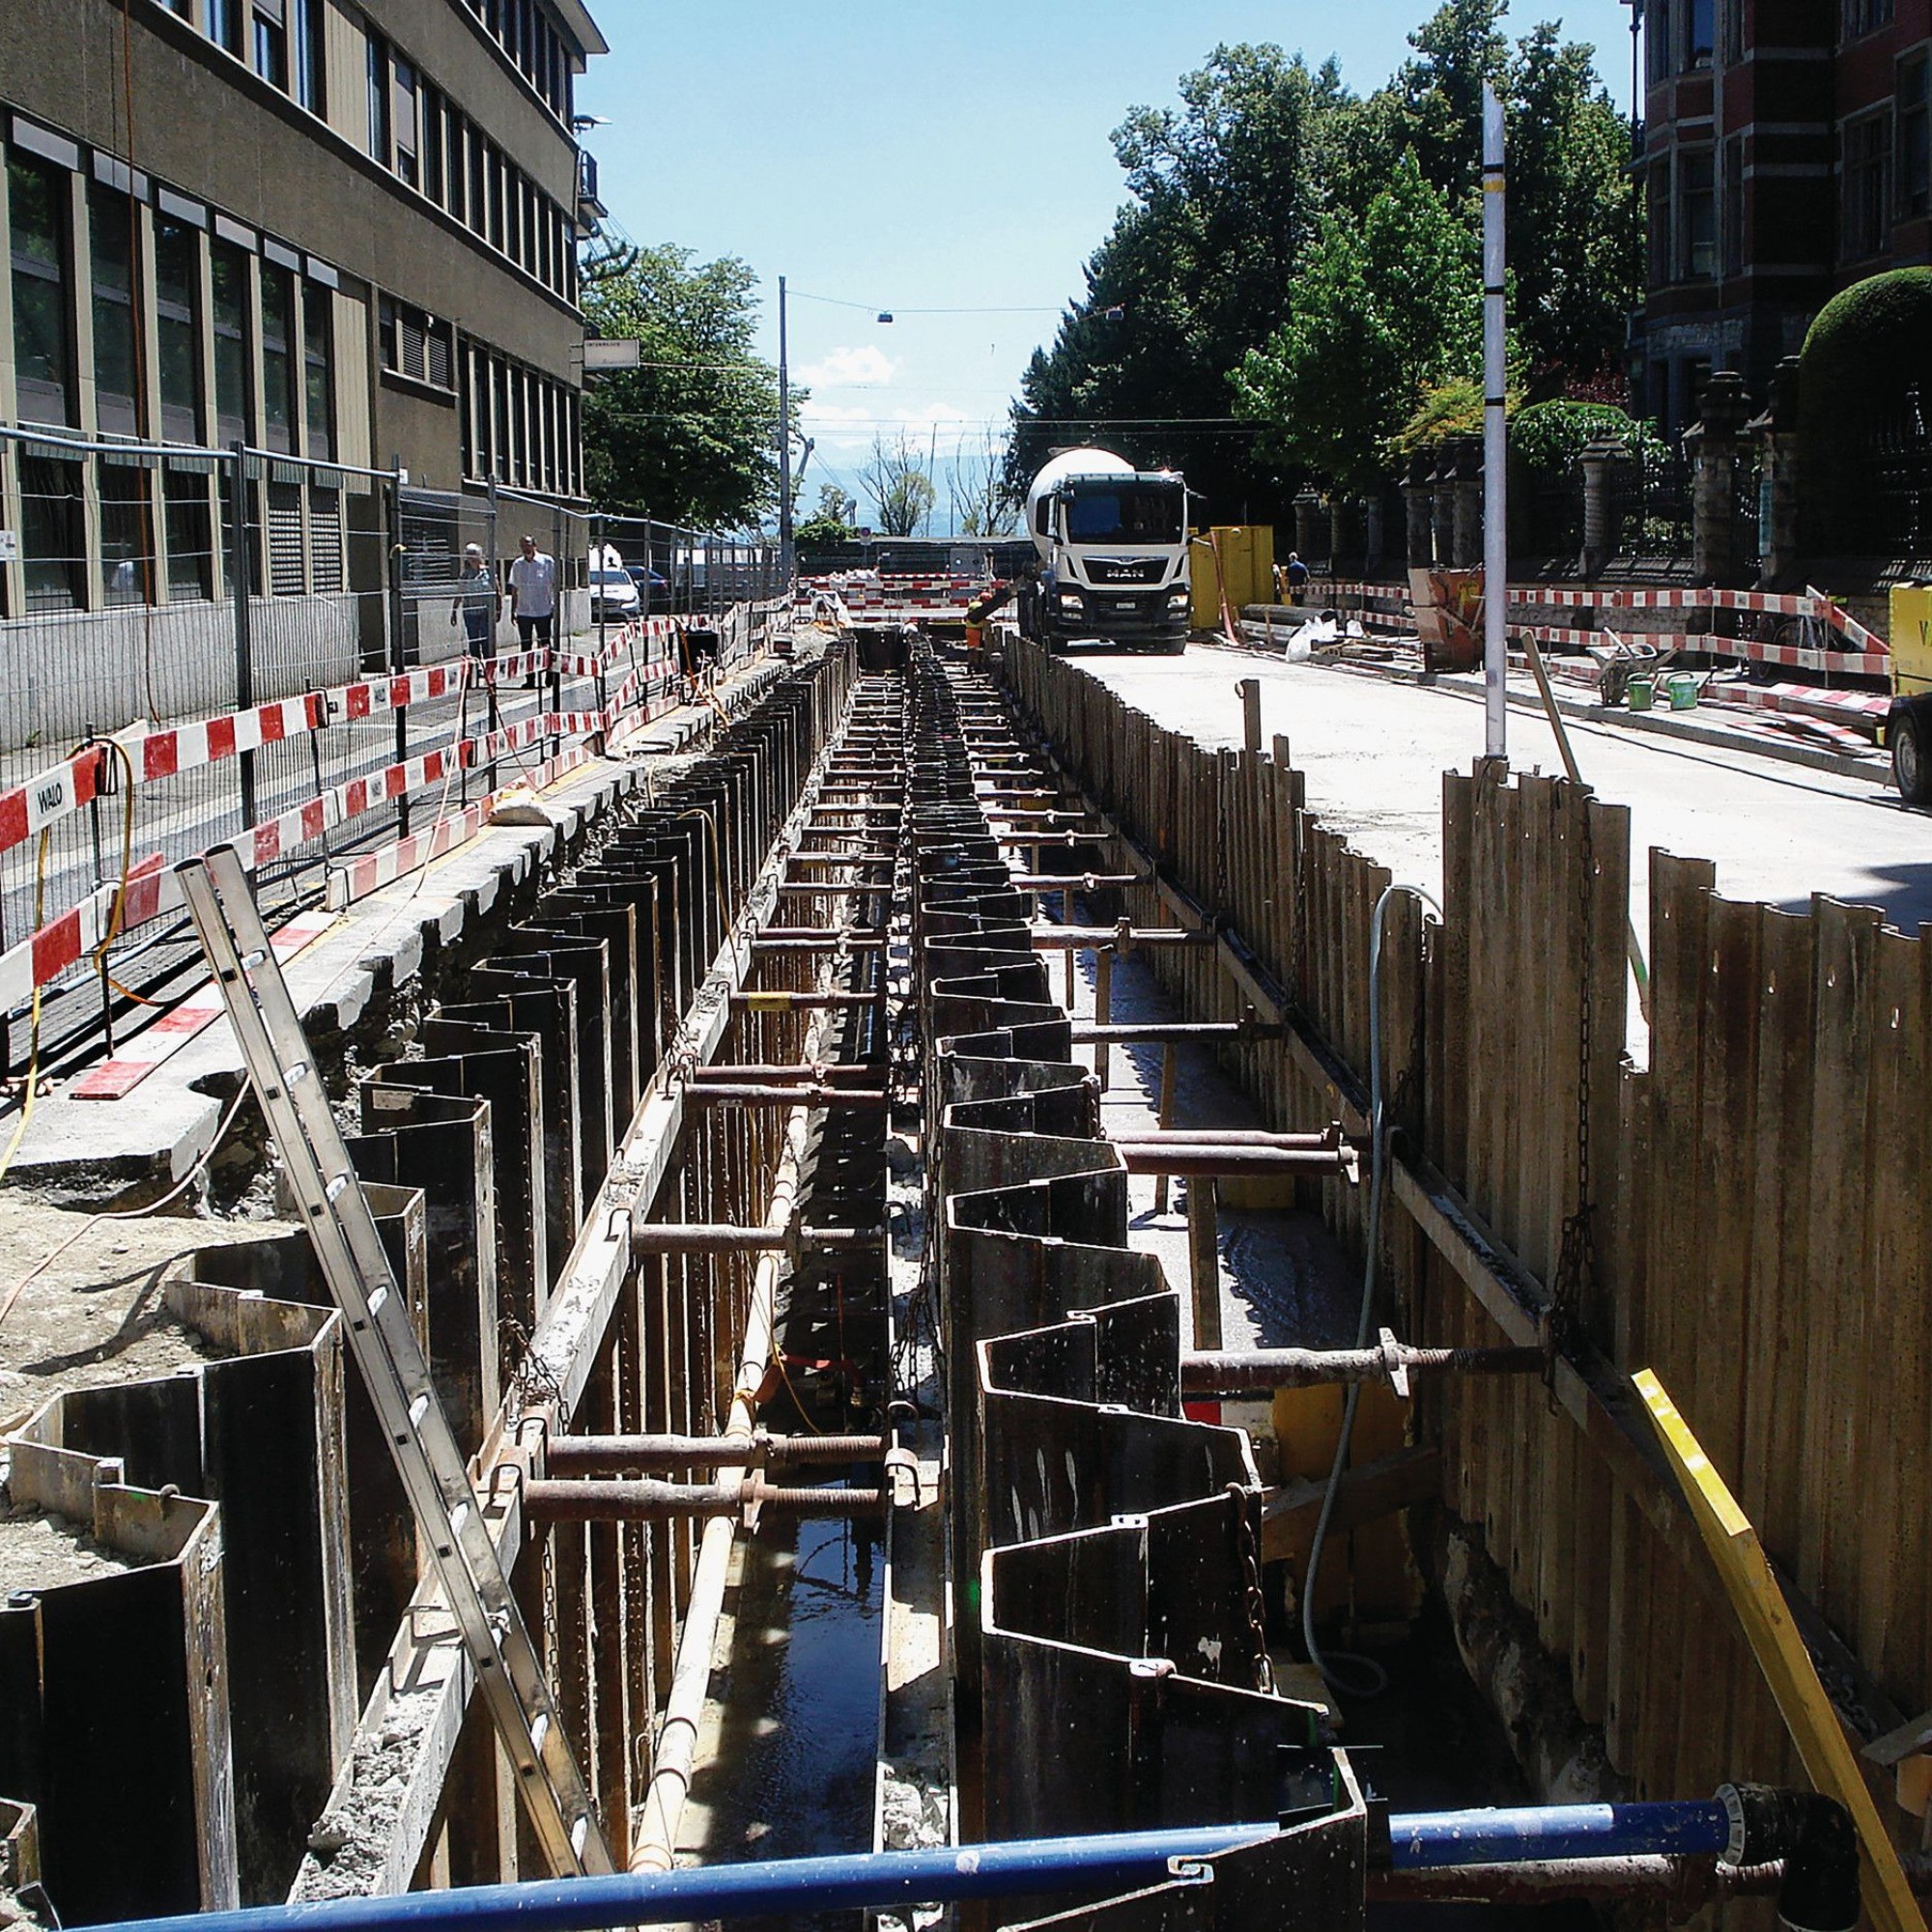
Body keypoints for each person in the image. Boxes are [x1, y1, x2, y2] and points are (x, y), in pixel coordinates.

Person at [508, 533, 558, 653]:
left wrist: (554, 606)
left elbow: (555, 585)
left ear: (534, 546)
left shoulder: (547, 561)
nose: (525, 548)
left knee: (545, 644)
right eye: (522, 546)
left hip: (543, 611)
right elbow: (514, 589)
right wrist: (513, 610)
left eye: (528, 545)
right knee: (526, 645)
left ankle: (548, 670)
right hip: (524, 612)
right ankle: (529, 671)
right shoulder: (518, 564)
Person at [449, 543, 497, 657]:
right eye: (470, 556)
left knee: (486, 639)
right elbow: (459, 593)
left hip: (485, 612)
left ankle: (488, 663)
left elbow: (497, 591)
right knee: (473, 640)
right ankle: (476, 665)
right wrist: (454, 610)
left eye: (474, 556)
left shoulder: (488, 574)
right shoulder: (465, 576)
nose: (472, 559)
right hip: (470, 612)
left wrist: (498, 609)